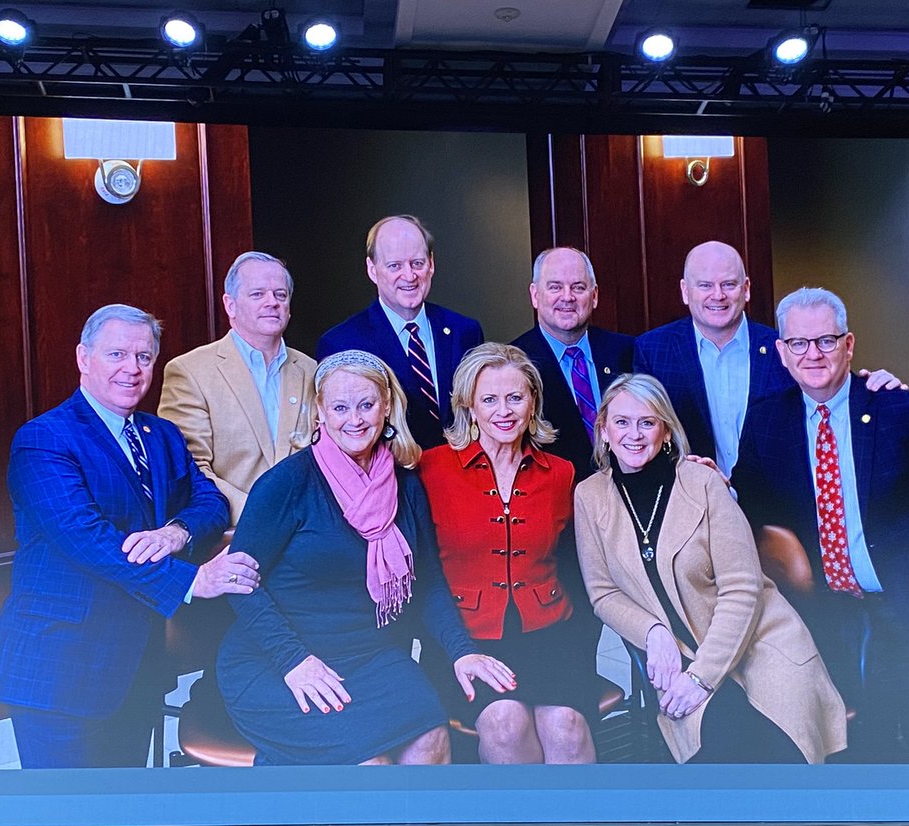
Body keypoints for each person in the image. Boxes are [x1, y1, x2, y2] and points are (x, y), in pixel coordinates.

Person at [733, 287, 909, 762]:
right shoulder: (765, 421)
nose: (812, 353)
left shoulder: (902, 410)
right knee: (862, 750)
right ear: (781, 351)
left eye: (826, 340)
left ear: (849, 344)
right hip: (832, 621)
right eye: (798, 343)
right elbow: (746, 510)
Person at [0, 304, 261, 768]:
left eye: (144, 357)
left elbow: (210, 503)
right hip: (60, 672)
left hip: (137, 667)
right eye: (117, 354)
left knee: (124, 822)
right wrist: (194, 581)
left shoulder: (162, 435)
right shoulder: (44, 439)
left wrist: (176, 532)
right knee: (65, 825)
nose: (132, 369)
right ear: (83, 357)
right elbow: (86, 539)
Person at [216, 350, 514, 765]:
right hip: (277, 659)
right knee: (370, 767)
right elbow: (239, 582)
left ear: (387, 406)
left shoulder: (406, 485)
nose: (354, 419)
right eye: (339, 407)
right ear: (320, 410)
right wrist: (294, 660)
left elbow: (426, 582)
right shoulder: (285, 483)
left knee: (432, 739)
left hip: (369, 654)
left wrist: (461, 651)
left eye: (366, 404)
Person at [573, 374, 846, 763]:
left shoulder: (702, 482)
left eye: (647, 422)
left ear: (665, 431)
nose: (634, 434)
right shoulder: (590, 496)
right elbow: (602, 593)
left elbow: (743, 588)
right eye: (621, 422)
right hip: (678, 651)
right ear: (603, 430)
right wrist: (653, 634)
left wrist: (702, 677)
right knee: (723, 742)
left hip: (757, 642)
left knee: (779, 748)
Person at [419, 343, 600, 764]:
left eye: (515, 397)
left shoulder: (561, 473)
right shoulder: (429, 469)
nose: (504, 411)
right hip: (465, 639)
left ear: (533, 402)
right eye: (490, 399)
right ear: (469, 405)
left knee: (566, 729)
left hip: (551, 634)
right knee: (505, 723)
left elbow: (582, 558)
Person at [633, 240, 902, 477]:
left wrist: (877, 389)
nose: (718, 295)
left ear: (746, 289)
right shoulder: (653, 350)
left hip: (777, 505)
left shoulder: (786, 348)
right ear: (685, 290)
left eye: (729, 284)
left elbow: (832, 392)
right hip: (693, 506)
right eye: (705, 285)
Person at [158, 251, 316, 525]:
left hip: (309, 529)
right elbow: (190, 468)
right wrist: (262, 516)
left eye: (280, 294)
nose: (272, 303)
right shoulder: (189, 371)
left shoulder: (312, 370)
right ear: (230, 305)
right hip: (235, 534)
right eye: (258, 294)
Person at [317, 215, 484, 449]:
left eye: (417, 263)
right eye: (394, 265)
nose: (409, 276)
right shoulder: (342, 344)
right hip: (392, 479)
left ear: (431, 263)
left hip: (460, 476)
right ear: (372, 270)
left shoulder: (464, 331)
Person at [511, 246, 634, 481]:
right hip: (556, 501)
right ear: (535, 295)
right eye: (555, 287)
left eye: (578, 287)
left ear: (594, 295)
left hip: (629, 494)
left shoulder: (627, 351)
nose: (567, 297)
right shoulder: (516, 363)